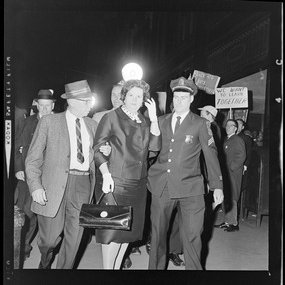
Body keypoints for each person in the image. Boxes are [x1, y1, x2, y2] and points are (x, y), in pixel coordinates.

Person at [25, 80, 111, 269]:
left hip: (82, 185)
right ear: (71, 102)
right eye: (85, 102)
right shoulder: (49, 122)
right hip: (52, 185)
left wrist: (104, 150)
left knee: (74, 239)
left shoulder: (92, 125)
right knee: (48, 240)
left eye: (90, 102)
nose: (89, 106)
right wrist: (35, 186)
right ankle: (45, 261)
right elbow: (33, 159)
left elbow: (96, 153)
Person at [147, 77, 224, 270]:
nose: (179, 100)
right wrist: (152, 121)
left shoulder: (201, 124)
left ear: (191, 100)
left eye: (183, 97)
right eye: (176, 96)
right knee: (157, 237)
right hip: (162, 186)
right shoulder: (161, 121)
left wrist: (217, 186)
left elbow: (211, 156)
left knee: (192, 237)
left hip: (191, 188)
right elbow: (151, 151)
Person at [94, 79, 161, 269]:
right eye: (131, 95)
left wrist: (154, 119)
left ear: (144, 100)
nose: (134, 99)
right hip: (117, 182)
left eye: (138, 96)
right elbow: (98, 147)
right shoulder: (112, 117)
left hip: (139, 185)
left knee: (127, 235)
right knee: (113, 234)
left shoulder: (145, 121)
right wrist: (106, 174)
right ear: (124, 97)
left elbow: (155, 148)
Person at [14, 89, 56, 261]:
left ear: (53, 105)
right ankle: (22, 247)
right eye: (42, 106)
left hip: (50, 177)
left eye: (48, 106)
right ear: (36, 105)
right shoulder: (28, 122)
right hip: (27, 177)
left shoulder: (58, 122)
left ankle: (45, 254)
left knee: (46, 217)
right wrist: (18, 167)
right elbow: (17, 147)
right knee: (25, 213)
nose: (45, 109)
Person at [214, 119, 246, 232]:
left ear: (235, 128)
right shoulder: (227, 139)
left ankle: (233, 223)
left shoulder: (237, 139)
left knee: (232, 196)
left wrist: (231, 167)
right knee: (226, 195)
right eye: (226, 125)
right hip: (225, 174)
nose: (227, 127)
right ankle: (227, 221)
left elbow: (241, 156)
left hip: (232, 174)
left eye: (230, 125)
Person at [236, 118, 253, 219]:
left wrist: (245, 166)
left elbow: (248, 153)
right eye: (236, 124)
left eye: (239, 125)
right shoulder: (231, 137)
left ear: (242, 127)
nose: (237, 126)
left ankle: (237, 214)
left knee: (239, 189)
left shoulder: (246, 138)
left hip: (241, 168)